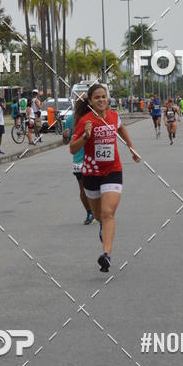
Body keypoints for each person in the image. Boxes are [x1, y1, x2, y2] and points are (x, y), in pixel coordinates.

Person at [70, 82, 141, 272]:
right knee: (100, 215)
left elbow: (121, 128)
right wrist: (85, 137)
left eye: (104, 96)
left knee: (108, 213)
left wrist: (131, 148)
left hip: (113, 171)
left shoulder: (114, 116)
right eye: (97, 97)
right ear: (91, 102)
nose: (101, 100)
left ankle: (106, 254)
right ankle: (101, 224)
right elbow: (72, 148)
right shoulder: (85, 120)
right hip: (91, 173)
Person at [62, 98, 94, 225]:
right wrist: (65, 135)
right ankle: (93, 211)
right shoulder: (72, 120)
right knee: (92, 188)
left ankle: (90, 211)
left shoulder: (73, 119)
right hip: (85, 161)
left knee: (83, 189)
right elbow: (66, 140)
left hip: (83, 161)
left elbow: (65, 142)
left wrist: (65, 137)